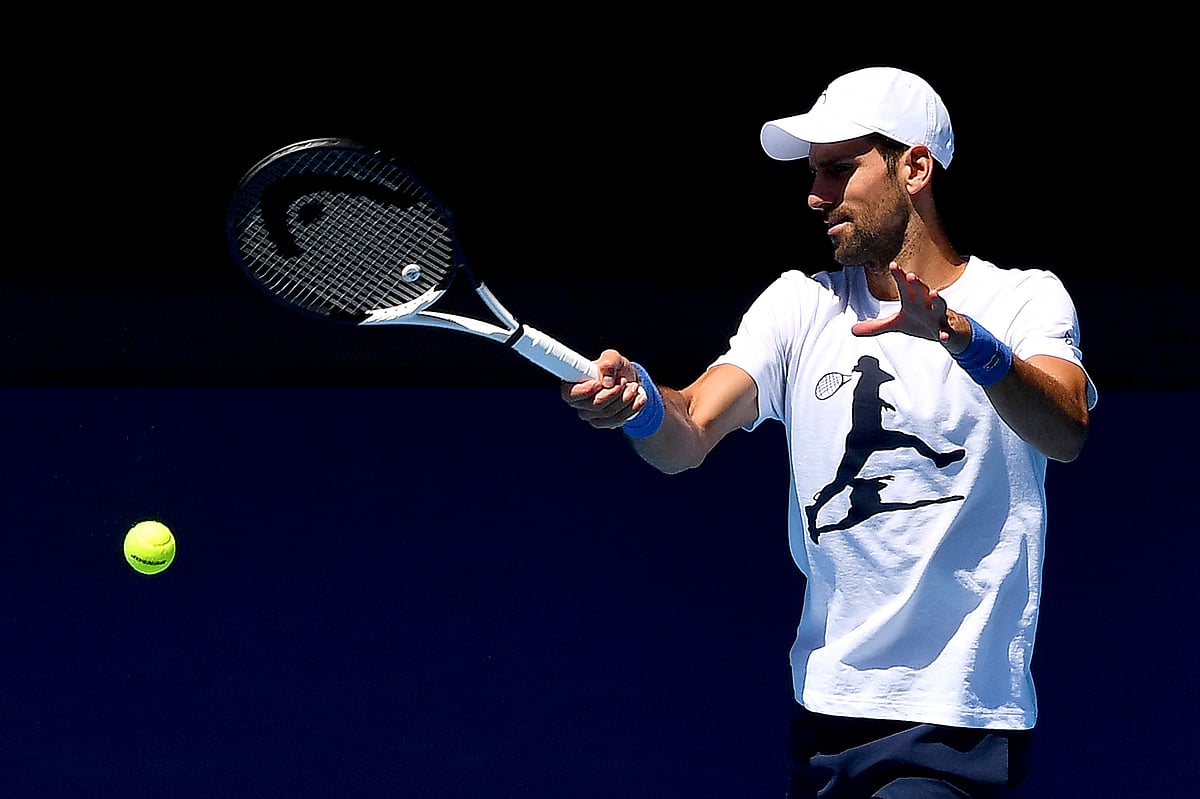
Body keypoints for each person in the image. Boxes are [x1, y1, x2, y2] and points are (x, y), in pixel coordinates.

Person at [561, 66, 1097, 798]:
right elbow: (687, 433)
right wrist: (641, 406)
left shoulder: (1025, 299)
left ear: (914, 167)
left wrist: (961, 337)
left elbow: (1066, 429)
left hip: (955, 721)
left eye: (839, 168)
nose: (815, 195)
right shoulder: (800, 305)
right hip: (823, 717)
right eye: (814, 173)